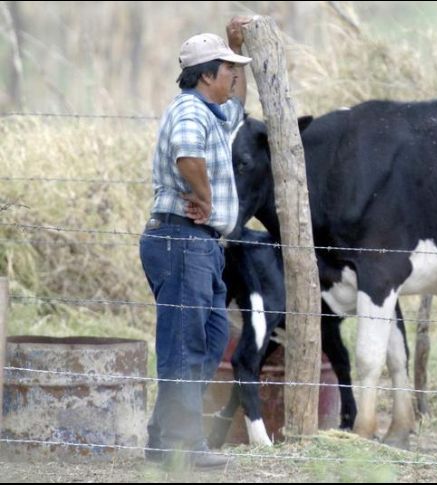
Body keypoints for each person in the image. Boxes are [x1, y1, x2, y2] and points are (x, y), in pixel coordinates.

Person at [139, 16, 253, 469]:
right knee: (186, 345)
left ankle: (163, 439)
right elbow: (188, 156)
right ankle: (182, 447)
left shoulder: (211, 112)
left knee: (208, 339)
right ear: (206, 76)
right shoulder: (190, 111)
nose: (234, 77)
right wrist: (204, 197)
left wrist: (234, 49)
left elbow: (237, 108)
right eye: (227, 70)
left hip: (196, 244)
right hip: (182, 240)